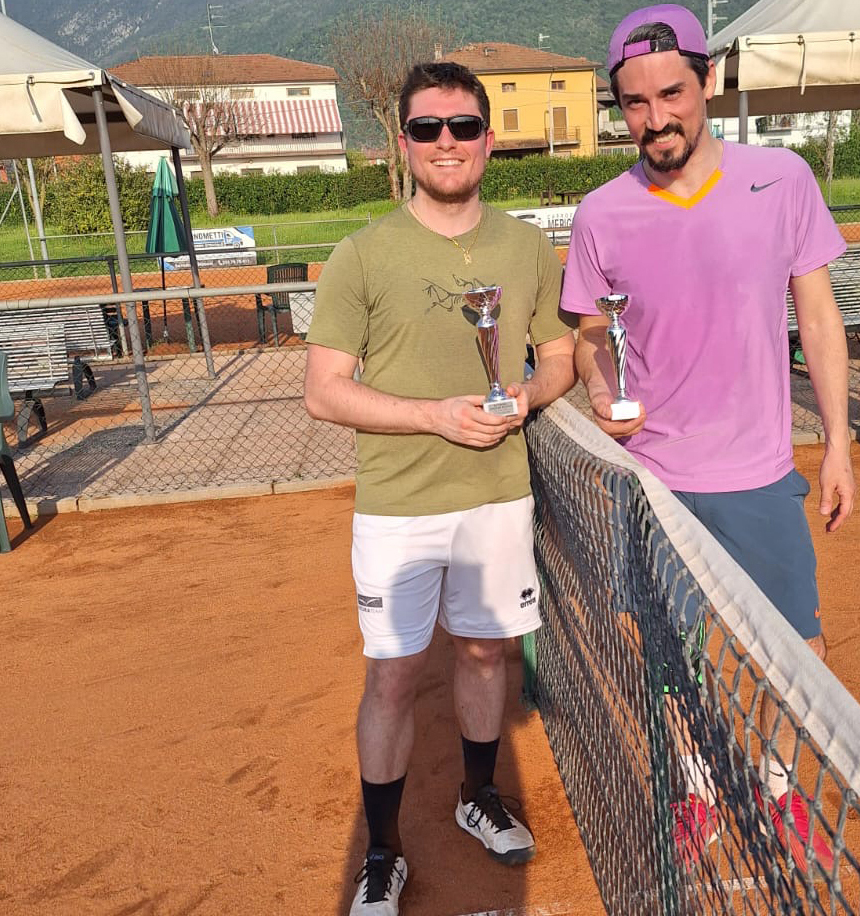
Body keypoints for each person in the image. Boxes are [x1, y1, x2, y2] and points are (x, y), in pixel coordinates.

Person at [560, 4, 856, 877]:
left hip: (760, 474)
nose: (655, 119)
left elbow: (818, 313)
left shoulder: (783, 180)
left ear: (707, 83)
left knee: (795, 648)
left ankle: (772, 780)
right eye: (634, 105)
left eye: (671, 94)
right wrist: (605, 394)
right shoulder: (601, 214)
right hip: (652, 480)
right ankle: (693, 780)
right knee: (668, 647)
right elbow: (585, 338)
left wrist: (836, 445)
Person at [303, 61, 576, 915]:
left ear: (488, 139)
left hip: (498, 494)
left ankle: (475, 795)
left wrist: (522, 397)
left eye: (462, 126)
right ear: (404, 142)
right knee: (391, 675)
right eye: (427, 129)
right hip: (399, 506)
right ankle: (382, 851)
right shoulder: (362, 255)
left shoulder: (527, 247)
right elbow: (323, 390)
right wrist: (433, 417)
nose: (446, 143)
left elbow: (559, 357)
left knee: (485, 652)